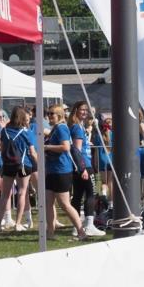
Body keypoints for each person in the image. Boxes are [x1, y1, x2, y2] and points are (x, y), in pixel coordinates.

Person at [42, 103, 87, 240]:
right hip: (52, 170)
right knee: (48, 203)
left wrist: (47, 147)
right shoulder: (55, 128)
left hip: (61, 170)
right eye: (48, 113)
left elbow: (66, 147)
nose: (49, 116)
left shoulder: (62, 128)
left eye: (52, 114)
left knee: (65, 204)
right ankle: (50, 233)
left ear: (59, 115)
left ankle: (81, 231)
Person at [69, 101, 104, 237]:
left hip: (80, 166)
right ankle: (89, 225)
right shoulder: (77, 128)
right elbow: (77, 150)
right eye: (82, 109)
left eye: (86, 110)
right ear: (76, 110)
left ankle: (76, 226)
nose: (84, 112)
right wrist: (82, 168)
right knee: (91, 193)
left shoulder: (78, 126)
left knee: (78, 195)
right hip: (84, 165)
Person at [0, 106, 38, 232]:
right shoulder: (26, 132)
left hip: (8, 164)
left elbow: (2, 148)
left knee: (5, 194)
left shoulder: (4, 131)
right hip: (23, 164)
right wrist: (39, 164)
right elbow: (33, 152)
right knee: (22, 192)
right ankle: (18, 223)